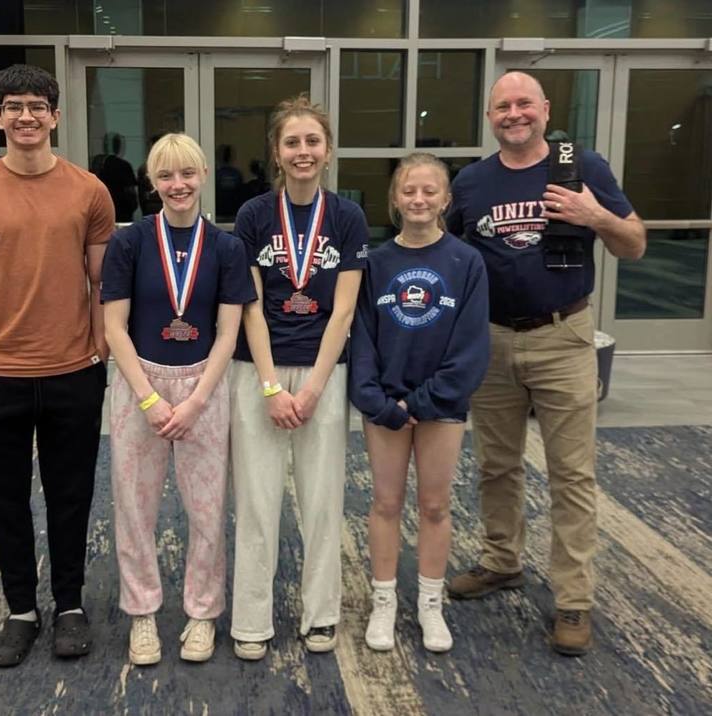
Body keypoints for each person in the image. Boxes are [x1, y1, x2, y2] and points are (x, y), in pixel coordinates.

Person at [446, 71, 646, 656]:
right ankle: (502, 560)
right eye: (503, 106)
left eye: (524, 104)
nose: (514, 113)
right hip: (493, 342)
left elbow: (633, 243)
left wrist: (597, 218)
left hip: (563, 337)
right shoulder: (472, 181)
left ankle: (573, 598)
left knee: (571, 473)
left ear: (545, 108)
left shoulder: (582, 167)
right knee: (496, 466)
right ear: (490, 117)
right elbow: (452, 254)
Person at [0, 64, 114, 665]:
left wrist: (99, 357)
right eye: (13, 106)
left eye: (37, 106)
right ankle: (21, 609)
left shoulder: (90, 191)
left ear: (55, 116)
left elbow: (103, 286)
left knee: (72, 497)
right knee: (5, 500)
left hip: (73, 373)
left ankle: (69, 604)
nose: (25, 116)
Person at [102, 133, 255, 666]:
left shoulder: (228, 247)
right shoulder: (130, 243)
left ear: (204, 175)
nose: (178, 185)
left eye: (186, 173)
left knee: (207, 510)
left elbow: (229, 334)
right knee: (134, 507)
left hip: (204, 386)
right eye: (165, 175)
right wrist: (148, 400)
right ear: (152, 182)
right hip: (139, 384)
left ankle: (202, 614)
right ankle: (142, 613)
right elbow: (114, 329)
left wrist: (195, 402)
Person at [230, 96, 367, 660]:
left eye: (313, 141)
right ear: (277, 153)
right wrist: (269, 386)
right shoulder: (254, 215)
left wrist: (310, 388)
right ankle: (252, 620)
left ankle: (320, 615)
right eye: (293, 142)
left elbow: (344, 311)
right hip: (256, 370)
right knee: (257, 502)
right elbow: (250, 306)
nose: (303, 151)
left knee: (320, 500)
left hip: (324, 374)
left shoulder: (347, 217)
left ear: (328, 152)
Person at [349, 152, 489, 653]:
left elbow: (471, 347)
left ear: (446, 199)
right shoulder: (376, 262)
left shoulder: (466, 262)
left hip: (441, 408)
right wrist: (376, 399)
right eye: (409, 191)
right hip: (386, 404)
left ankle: (431, 604)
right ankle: (383, 602)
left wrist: (428, 400)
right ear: (395, 199)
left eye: (430, 191)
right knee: (385, 503)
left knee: (434, 504)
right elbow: (361, 336)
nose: (419, 199)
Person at [91, 132, 139, 222]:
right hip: (122, 213)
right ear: (118, 147)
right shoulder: (123, 165)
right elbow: (130, 192)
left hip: (100, 212)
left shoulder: (96, 164)